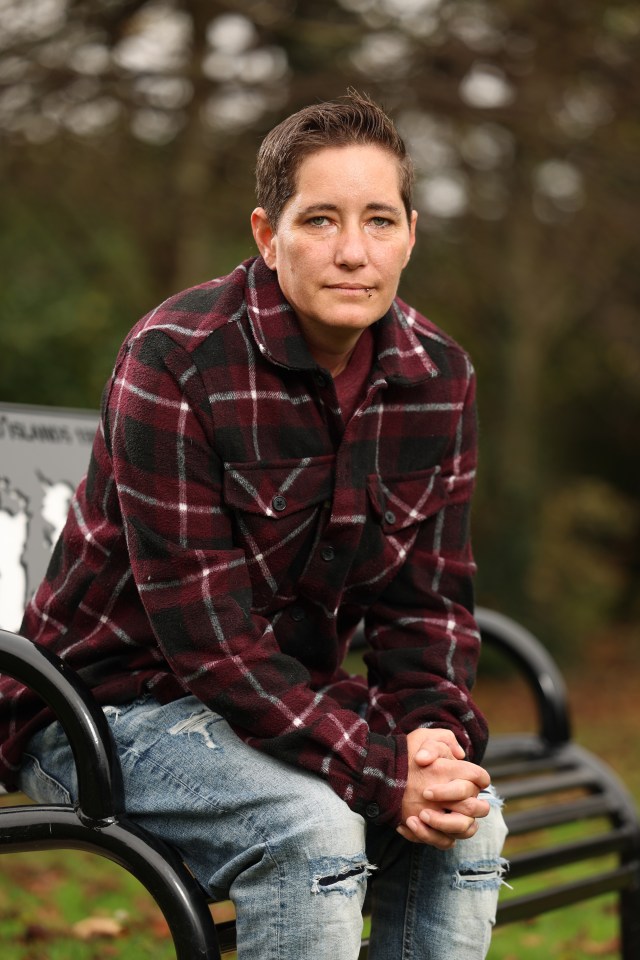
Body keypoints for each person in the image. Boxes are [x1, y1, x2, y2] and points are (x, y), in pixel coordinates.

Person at [0, 91, 507, 958]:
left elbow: (427, 608)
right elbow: (207, 639)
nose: (354, 252)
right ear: (269, 237)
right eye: (320, 220)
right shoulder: (175, 360)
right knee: (309, 829)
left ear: (411, 234)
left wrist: (435, 743)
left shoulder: (438, 376)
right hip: (102, 704)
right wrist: (382, 772)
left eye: (379, 220)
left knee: (474, 823)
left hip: (279, 704)